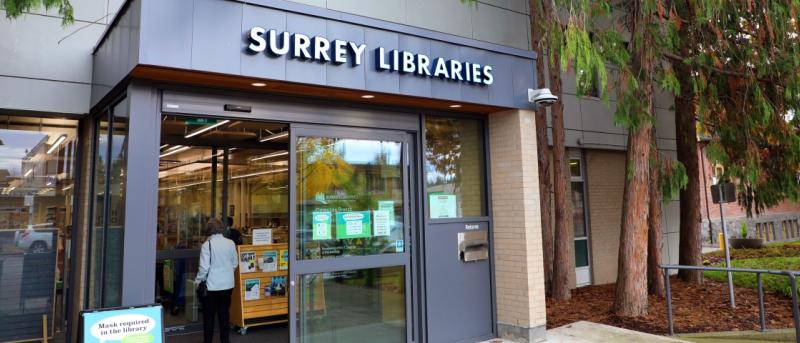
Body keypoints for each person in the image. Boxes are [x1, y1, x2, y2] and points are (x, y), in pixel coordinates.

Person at [196, 218, 238, 343]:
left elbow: (204, 268)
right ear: (220, 228)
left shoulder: (206, 245)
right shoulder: (230, 243)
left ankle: (207, 340)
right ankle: (225, 340)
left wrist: (197, 281)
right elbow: (235, 264)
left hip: (211, 287)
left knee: (209, 317)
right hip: (227, 285)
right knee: (224, 314)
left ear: (208, 230)